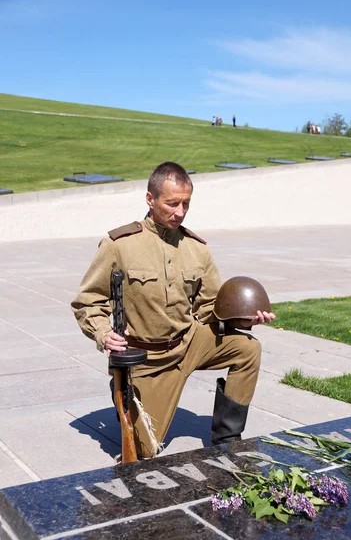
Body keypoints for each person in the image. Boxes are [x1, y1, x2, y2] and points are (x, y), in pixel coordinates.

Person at [71, 162, 275, 459]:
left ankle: (228, 437)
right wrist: (104, 333)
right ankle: (126, 398)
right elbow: (87, 299)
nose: (179, 212)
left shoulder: (197, 248)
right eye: (172, 203)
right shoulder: (119, 245)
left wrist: (243, 318)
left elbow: (209, 308)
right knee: (143, 451)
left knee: (247, 348)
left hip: (189, 343)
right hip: (147, 359)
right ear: (150, 200)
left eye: (186, 204)